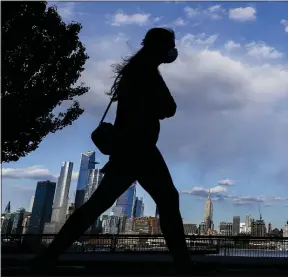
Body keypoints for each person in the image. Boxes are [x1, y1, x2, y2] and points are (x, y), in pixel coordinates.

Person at [30, 28, 200, 274]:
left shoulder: (137, 69)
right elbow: (168, 107)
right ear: (160, 46)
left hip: (129, 149)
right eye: (171, 44)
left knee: (97, 205)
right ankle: (184, 266)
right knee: (167, 201)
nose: (173, 50)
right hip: (139, 149)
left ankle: (47, 258)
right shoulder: (146, 72)